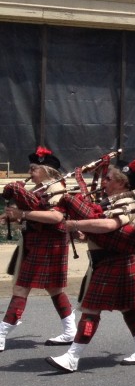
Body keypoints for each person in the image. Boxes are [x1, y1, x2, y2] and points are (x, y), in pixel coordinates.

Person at [47, 158, 135, 373]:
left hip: (113, 261)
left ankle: (72, 356)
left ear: (122, 183)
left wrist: (74, 223)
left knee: (90, 310)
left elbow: (109, 225)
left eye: (108, 178)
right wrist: (86, 232)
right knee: (129, 307)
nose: (104, 182)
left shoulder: (126, 203)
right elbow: (102, 229)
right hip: (111, 260)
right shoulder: (112, 201)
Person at [0, 147, 74, 352]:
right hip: (39, 240)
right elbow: (35, 212)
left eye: (34, 168)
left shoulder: (56, 187)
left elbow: (56, 217)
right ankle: (70, 330)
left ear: (48, 171)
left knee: (21, 287)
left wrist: (22, 214)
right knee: (54, 288)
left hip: (49, 242)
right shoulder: (40, 189)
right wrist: (11, 216)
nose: (30, 172)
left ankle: (2, 332)